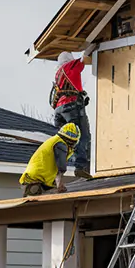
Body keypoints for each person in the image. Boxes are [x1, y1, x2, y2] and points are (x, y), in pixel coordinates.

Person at [51, 51, 92, 179]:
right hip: (71, 107)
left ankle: (59, 168)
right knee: (83, 136)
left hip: (59, 110)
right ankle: (80, 167)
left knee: (67, 140)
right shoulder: (69, 66)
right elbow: (84, 58)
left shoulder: (58, 74)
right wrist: (93, 45)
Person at [20, 123, 80, 197]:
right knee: (36, 203)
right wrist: (59, 183)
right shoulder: (61, 144)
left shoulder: (55, 140)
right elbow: (61, 166)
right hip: (36, 181)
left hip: (41, 179)